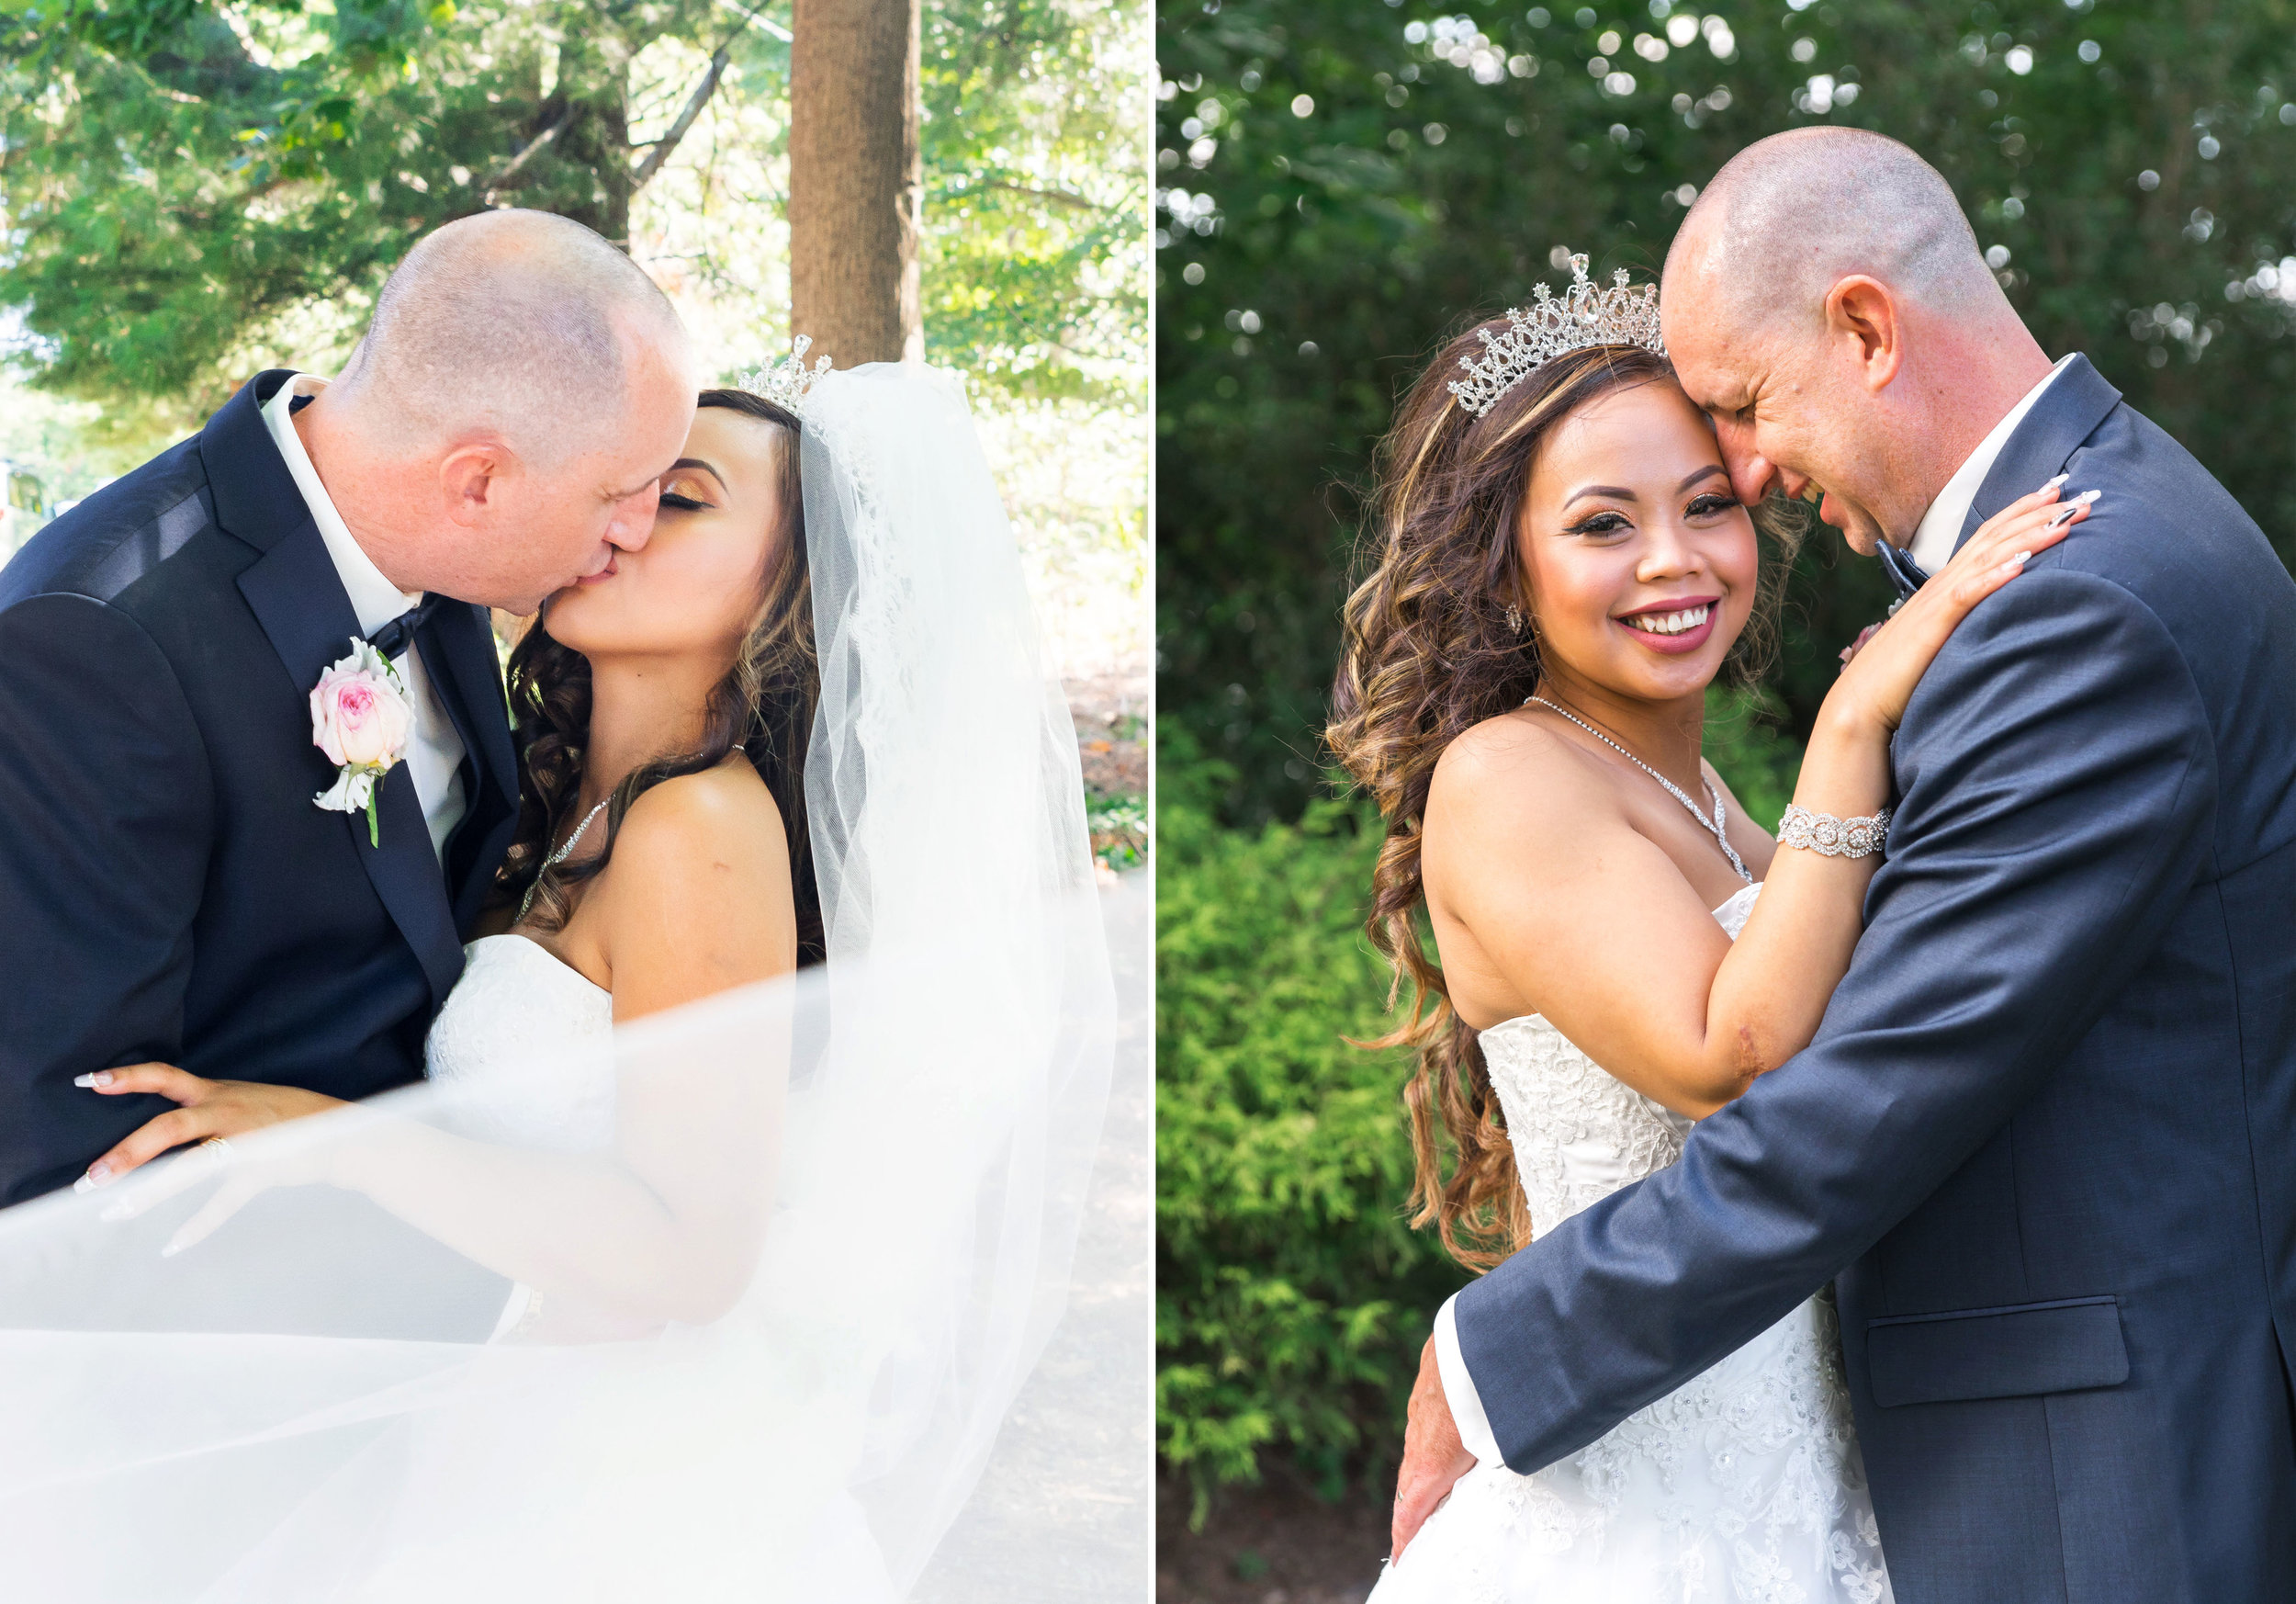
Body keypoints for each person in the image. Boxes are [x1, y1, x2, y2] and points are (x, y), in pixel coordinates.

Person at [0, 357, 1116, 1600]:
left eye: (682, 500)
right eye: (625, 486)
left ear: (791, 590)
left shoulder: (699, 831)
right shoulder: (544, 783)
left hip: (614, 1480)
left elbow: (694, 1257)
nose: (625, 522)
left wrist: (334, 1139)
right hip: (483, 1411)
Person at [1381, 128, 2296, 1602]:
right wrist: (1855, 731)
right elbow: (1771, 1049)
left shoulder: (2080, 605)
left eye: (1735, 430)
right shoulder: (2080, 555)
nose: (1742, 482)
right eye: (1605, 521)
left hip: (2063, 1458)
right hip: (1699, 1498)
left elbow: (1862, 1085)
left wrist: (1490, 1354)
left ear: (1864, 326)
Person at [1331, 249, 2080, 1600]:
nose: (1674, 561)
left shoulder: (1699, 787)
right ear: (1504, 565)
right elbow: (1730, 1048)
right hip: (1646, 1511)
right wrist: (1852, 732)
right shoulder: (1507, 776)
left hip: (1818, 1472)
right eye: (1604, 524)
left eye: (1703, 508)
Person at [0, 209, 694, 1343]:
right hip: (235, 1371)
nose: (639, 532)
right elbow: (63, 1156)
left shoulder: (447, 556)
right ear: (478, 481)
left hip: (446, 1314)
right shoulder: (96, 640)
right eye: (625, 489)